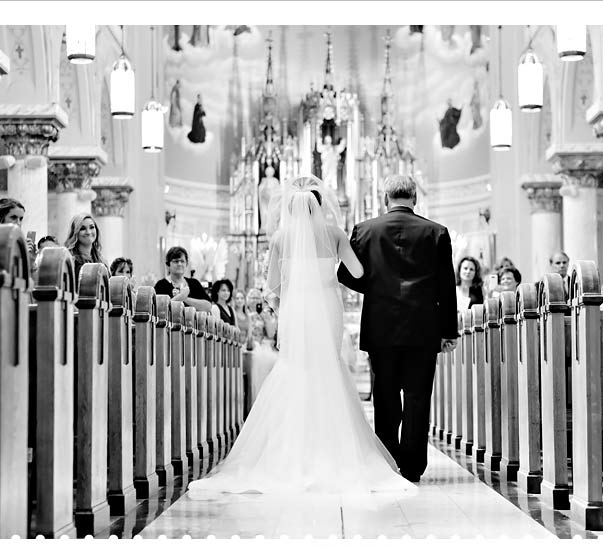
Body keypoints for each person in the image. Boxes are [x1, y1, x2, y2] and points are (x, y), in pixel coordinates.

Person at [188, 174, 415, 497]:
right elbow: (358, 272)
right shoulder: (334, 233)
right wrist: (328, 274)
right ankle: (336, 450)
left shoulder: (281, 237)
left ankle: (290, 450)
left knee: (296, 367)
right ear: (320, 205)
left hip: (296, 310)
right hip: (327, 307)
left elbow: (273, 284)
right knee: (328, 367)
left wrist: (293, 293)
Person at [338, 174, 458, 484]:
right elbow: (447, 286)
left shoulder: (365, 230)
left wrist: (376, 287)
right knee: (418, 396)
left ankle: (388, 461)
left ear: (385, 199)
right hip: (423, 328)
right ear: (415, 198)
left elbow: (345, 275)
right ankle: (413, 466)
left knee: (385, 395)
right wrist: (449, 331)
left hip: (381, 326)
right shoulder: (436, 232)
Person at [153, 247, 212, 312]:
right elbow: (159, 310)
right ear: (168, 265)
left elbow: (208, 307)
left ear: (186, 264)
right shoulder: (161, 285)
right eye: (176, 261)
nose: (179, 264)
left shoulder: (194, 283)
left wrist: (185, 298)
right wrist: (179, 297)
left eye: (182, 261)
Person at [64, 213, 107, 281]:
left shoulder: (102, 262)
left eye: (92, 227)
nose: (88, 232)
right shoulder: (71, 262)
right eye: (82, 228)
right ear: (75, 233)